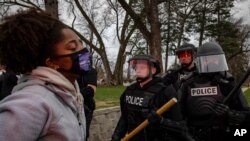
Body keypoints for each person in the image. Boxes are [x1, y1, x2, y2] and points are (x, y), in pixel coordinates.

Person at [0, 8, 89, 140]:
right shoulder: (31, 103)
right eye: (72, 47)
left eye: (81, 43)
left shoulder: (69, 94)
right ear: (51, 62)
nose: (83, 50)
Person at [111, 54, 194, 141]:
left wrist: (162, 121)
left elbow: (181, 127)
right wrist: (117, 135)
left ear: (153, 70)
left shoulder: (166, 91)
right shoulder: (129, 91)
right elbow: (125, 117)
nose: (138, 70)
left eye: (142, 67)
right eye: (136, 67)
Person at [180, 42, 249, 141]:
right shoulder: (188, 84)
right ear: (200, 61)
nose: (211, 63)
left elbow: (246, 116)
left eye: (214, 59)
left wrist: (230, 114)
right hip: (193, 135)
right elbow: (178, 116)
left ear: (220, 60)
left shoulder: (228, 83)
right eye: (207, 60)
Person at [77, 67, 97, 141]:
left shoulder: (91, 71)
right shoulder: (72, 71)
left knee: (83, 134)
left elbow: (91, 90)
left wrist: (73, 94)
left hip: (86, 107)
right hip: (72, 106)